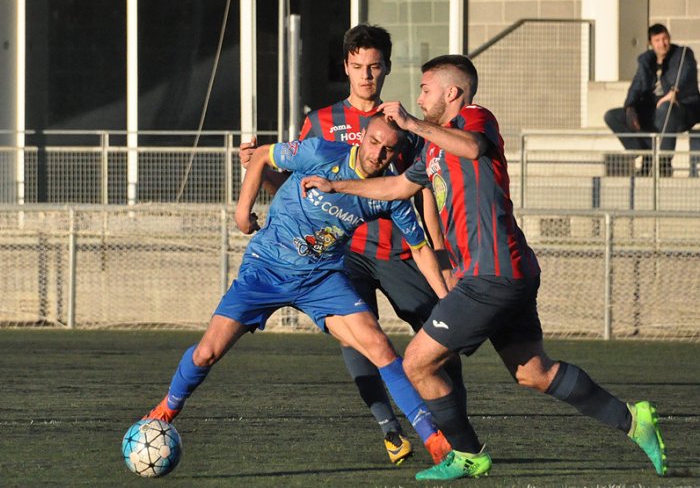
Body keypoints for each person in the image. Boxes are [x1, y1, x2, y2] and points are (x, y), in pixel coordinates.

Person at [301, 55, 668, 480]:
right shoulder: (436, 145)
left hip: (491, 274)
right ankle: (632, 419)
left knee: (418, 362)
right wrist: (337, 184)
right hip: (505, 272)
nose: (418, 98)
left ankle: (467, 453)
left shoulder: (476, 118)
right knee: (534, 372)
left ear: (452, 93)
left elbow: (473, 148)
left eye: (425, 89)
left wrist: (413, 124)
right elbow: (399, 186)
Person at [143, 114, 451, 467]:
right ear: (361, 137)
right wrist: (243, 212)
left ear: (396, 154)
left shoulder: (390, 194)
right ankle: (165, 411)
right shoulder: (320, 152)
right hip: (266, 268)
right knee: (207, 353)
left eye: (388, 149)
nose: (377, 153)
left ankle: (433, 439)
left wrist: (445, 296)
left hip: (321, 279)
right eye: (373, 142)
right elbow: (261, 156)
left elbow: (421, 249)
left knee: (380, 347)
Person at [239, 24, 454, 465]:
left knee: (437, 335)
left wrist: (441, 248)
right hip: (340, 254)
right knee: (359, 342)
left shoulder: (404, 127)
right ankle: (390, 429)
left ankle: (455, 428)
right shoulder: (320, 121)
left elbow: (422, 189)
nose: (366, 76)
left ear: (387, 68)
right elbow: (299, 185)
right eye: (358, 67)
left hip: (395, 249)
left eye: (375, 67)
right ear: (346, 68)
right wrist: (259, 170)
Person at [604, 23, 700, 176]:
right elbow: (637, 85)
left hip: (681, 108)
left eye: (665, 39)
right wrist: (630, 107)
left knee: (665, 107)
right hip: (653, 110)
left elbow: (686, 73)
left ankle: (663, 163)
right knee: (612, 116)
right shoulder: (646, 61)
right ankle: (645, 153)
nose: (663, 43)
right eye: (657, 40)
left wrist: (674, 91)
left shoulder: (682, 54)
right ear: (650, 43)